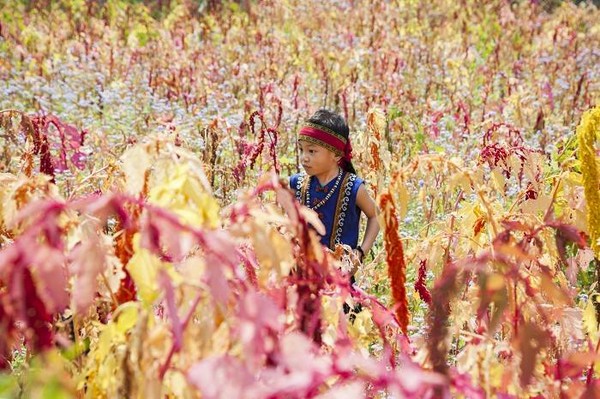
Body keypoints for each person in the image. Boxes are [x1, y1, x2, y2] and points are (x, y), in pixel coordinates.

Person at [289, 109, 379, 277]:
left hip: (339, 278)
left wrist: (360, 253)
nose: (304, 157)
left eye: (312, 151)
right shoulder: (296, 183)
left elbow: (376, 216)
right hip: (301, 277)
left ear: (336, 154)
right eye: (301, 150)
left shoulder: (353, 187)